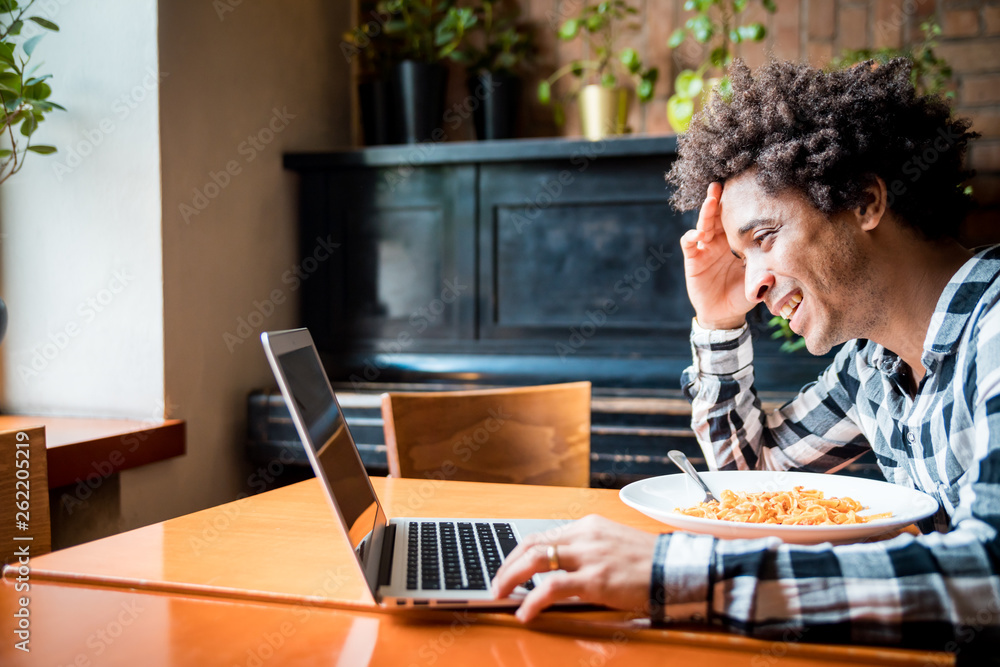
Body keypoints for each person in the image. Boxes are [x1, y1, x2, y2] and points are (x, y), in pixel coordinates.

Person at [491, 58, 1000, 658]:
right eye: (741, 257)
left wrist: (675, 571)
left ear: (865, 201)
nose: (754, 284)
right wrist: (718, 320)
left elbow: (989, 570)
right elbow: (749, 480)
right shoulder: (874, 366)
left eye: (763, 239)